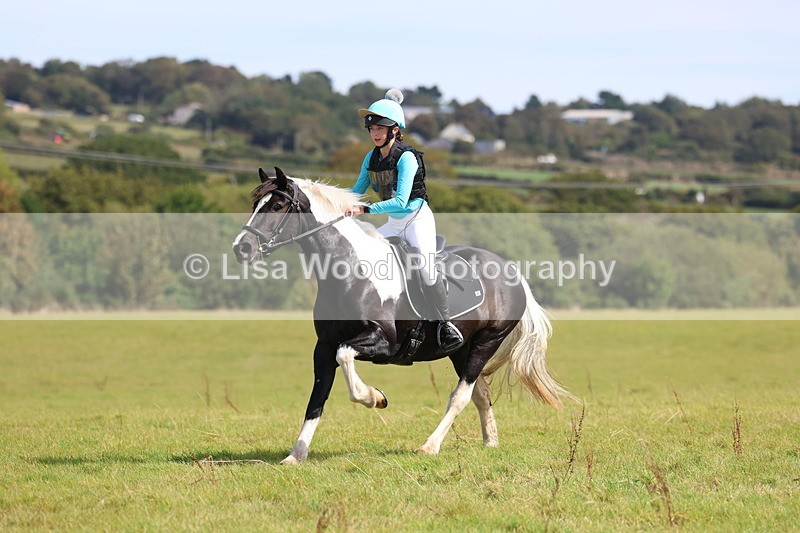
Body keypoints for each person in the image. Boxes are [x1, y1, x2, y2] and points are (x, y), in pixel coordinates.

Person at [346, 89, 464, 354]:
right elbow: (356, 191)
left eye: (381, 128)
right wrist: (334, 204)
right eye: (372, 127)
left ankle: (446, 324)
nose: (375, 133)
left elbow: (401, 202)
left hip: (416, 218)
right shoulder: (371, 157)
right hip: (394, 222)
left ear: (395, 130)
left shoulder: (407, 157)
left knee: (425, 268)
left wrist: (365, 209)